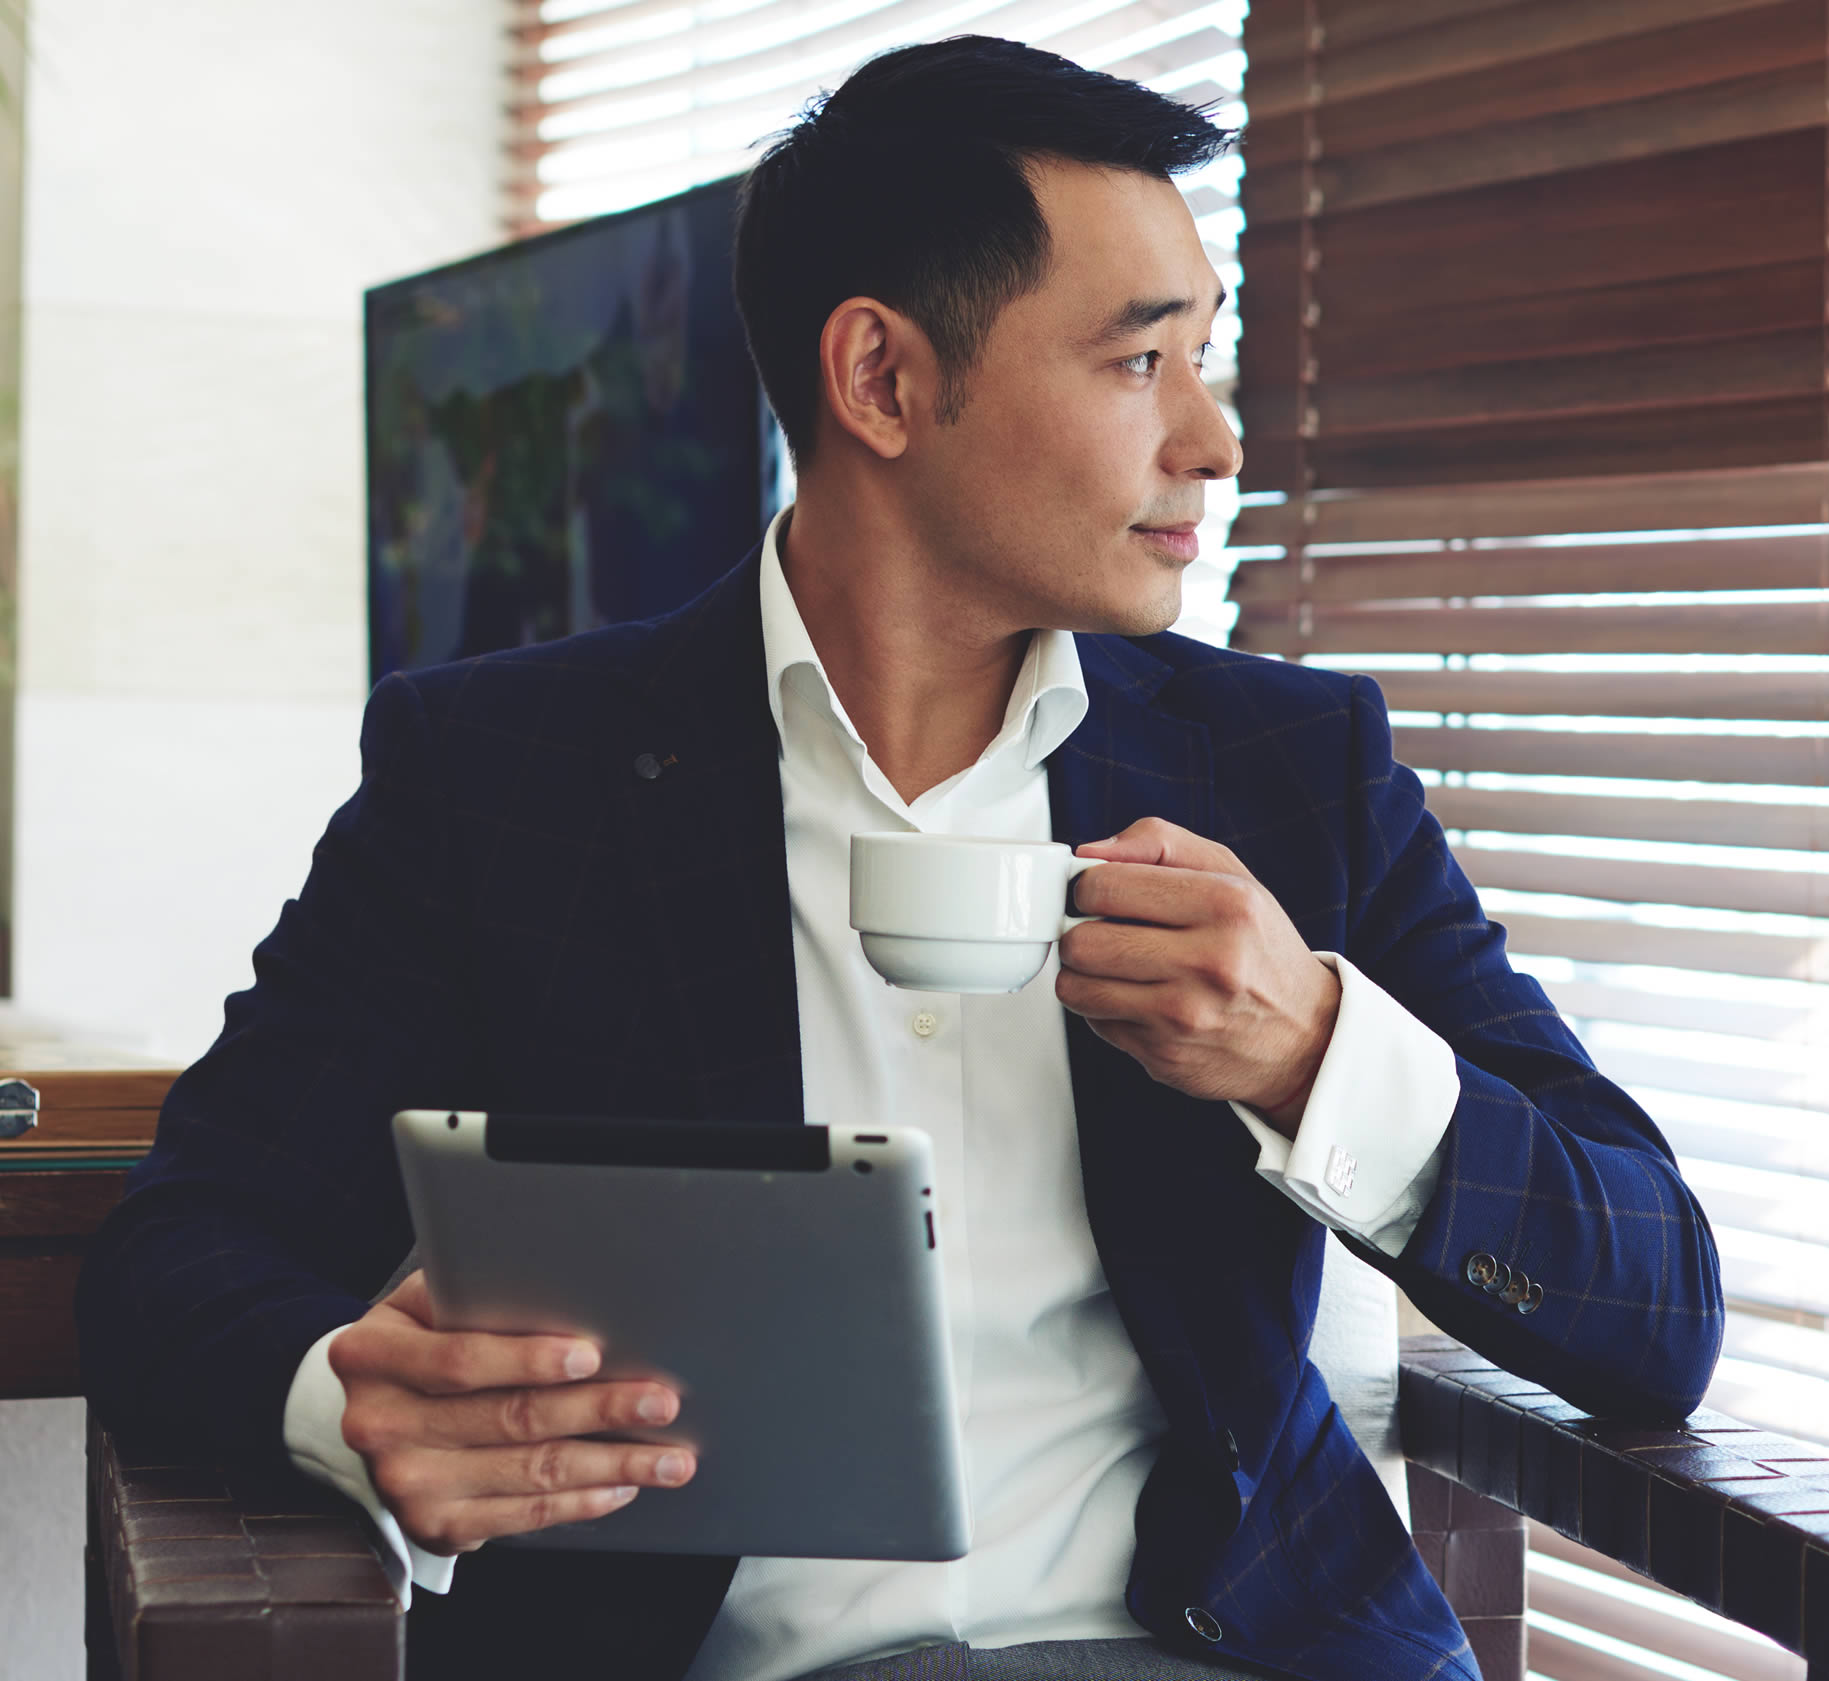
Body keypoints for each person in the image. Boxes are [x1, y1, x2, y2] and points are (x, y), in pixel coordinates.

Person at [77, 35, 1722, 1681]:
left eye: (1202, 357)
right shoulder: (503, 775)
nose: (1217, 440)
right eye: (1142, 363)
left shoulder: (1294, 772)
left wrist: (1314, 1051)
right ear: (880, 379)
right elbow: (183, 1240)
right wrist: (347, 1400)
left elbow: (1658, 1308)